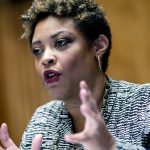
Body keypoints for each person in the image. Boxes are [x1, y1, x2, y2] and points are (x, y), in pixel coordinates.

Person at [0, 0, 150, 149]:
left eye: (60, 42)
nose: (45, 59)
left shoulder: (144, 101)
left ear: (98, 45)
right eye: (37, 51)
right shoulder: (43, 120)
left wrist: (110, 147)